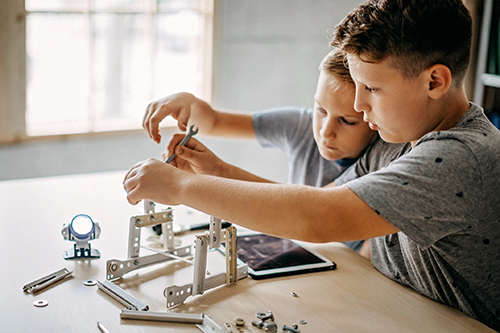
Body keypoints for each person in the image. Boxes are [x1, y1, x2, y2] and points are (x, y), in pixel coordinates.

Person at [123, 0, 500, 330]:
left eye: (371, 88)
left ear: (435, 81)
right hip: (404, 312)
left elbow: (318, 218)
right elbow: (319, 200)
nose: (358, 106)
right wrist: (218, 172)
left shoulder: (460, 157)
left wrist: (179, 187)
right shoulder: (399, 142)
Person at [143, 48, 379, 255]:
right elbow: (214, 122)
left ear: (374, 120)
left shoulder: (381, 161)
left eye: (347, 121)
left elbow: (308, 210)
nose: (326, 132)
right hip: (297, 250)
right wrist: (187, 102)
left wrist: (212, 173)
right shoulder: (301, 125)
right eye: (321, 109)